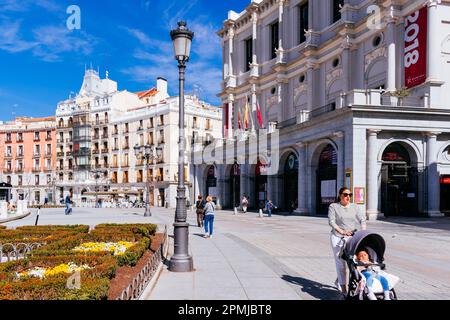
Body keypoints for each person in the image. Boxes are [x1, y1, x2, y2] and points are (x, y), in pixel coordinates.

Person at [328, 187, 366, 296]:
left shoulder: (355, 207)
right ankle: (343, 289)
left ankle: (339, 280)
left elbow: (362, 219)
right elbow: (331, 221)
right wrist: (341, 231)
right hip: (337, 237)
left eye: (350, 195)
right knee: (341, 263)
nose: (348, 197)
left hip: (351, 237)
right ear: (340, 195)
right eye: (345, 194)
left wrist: (363, 232)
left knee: (352, 262)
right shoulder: (334, 206)